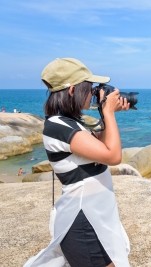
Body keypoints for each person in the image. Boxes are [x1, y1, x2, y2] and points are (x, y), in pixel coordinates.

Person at [24, 58, 131, 267]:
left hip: (94, 216)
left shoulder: (71, 123)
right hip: (82, 222)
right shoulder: (58, 126)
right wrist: (108, 113)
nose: (92, 93)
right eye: (89, 88)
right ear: (72, 90)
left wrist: (104, 112)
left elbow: (103, 146)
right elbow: (113, 156)